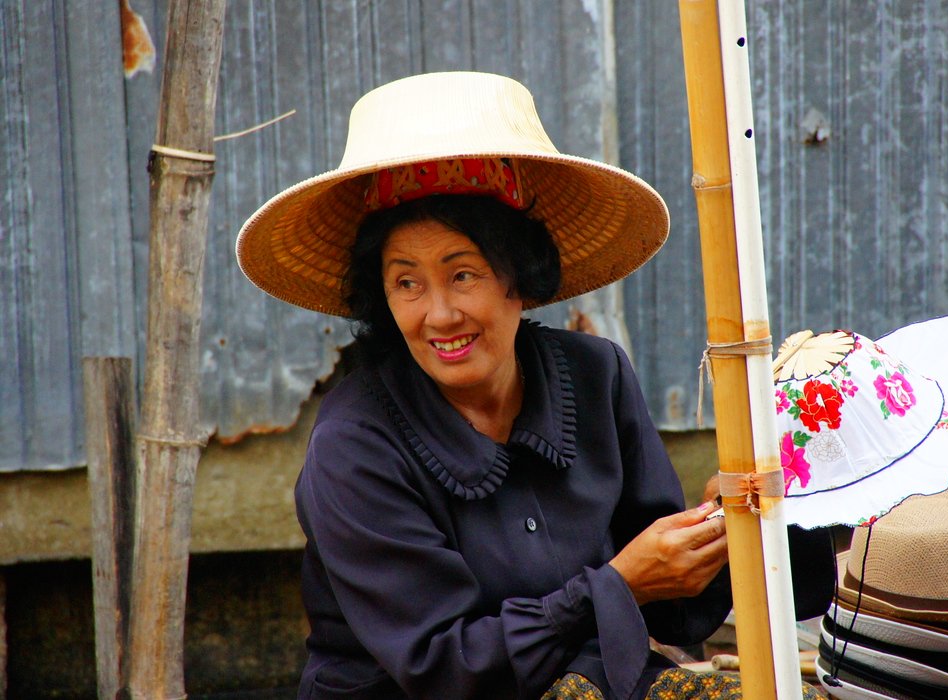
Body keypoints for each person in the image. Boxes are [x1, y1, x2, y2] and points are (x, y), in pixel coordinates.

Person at [237, 71, 833, 700]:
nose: (438, 314)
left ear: (518, 276)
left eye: (462, 274)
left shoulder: (594, 375)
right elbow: (447, 668)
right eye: (406, 282)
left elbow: (675, 614)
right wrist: (621, 584)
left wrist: (741, 524)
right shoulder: (355, 445)